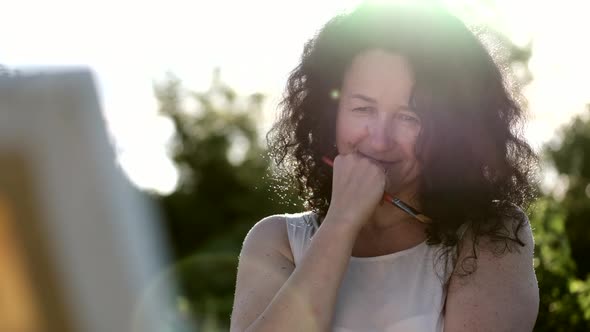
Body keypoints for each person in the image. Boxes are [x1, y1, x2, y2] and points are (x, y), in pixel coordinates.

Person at [231, 2, 539, 331]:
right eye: (363, 109)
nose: (379, 141)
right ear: (330, 114)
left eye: (409, 117)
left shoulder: (491, 235)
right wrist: (341, 221)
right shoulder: (277, 240)